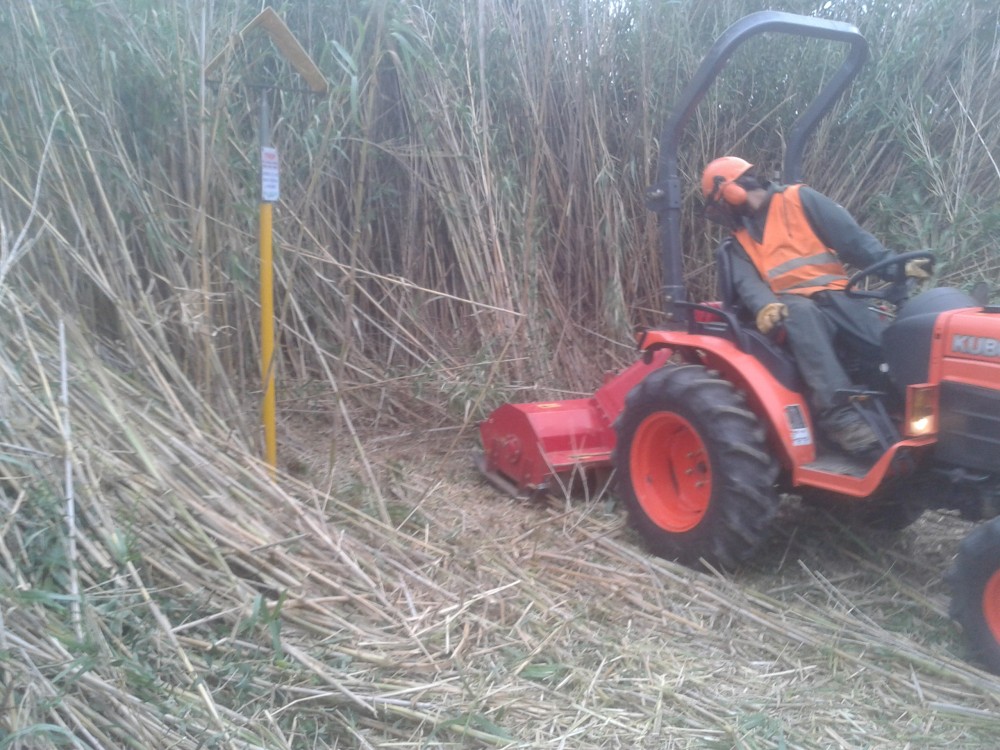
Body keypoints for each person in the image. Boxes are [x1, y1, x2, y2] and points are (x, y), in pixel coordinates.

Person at [700, 156, 930, 456]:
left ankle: (902, 405)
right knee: (802, 313)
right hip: (790, 307)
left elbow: (854, 242)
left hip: (836, 295)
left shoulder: (801, 200)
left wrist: (896, 268)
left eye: (720, 206)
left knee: (883, 343)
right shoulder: (738, 243)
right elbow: (748, 284)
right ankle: (840, 417)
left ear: (731, 191)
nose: (724, 215)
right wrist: (765, 306)